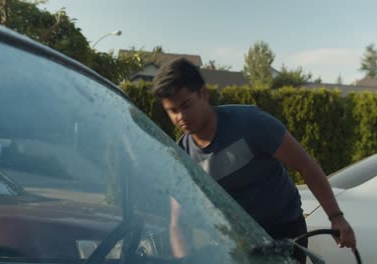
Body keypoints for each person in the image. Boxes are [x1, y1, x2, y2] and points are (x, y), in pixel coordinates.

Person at [152, 58, 356, 263]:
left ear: (203, 94)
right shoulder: (183, 156)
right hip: (236, 242)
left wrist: (336, 217)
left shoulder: (250, 123)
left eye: (186, 105)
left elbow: (305, 165)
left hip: (284, 233)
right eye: (172, 110)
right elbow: (178, 223)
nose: (181, 116)